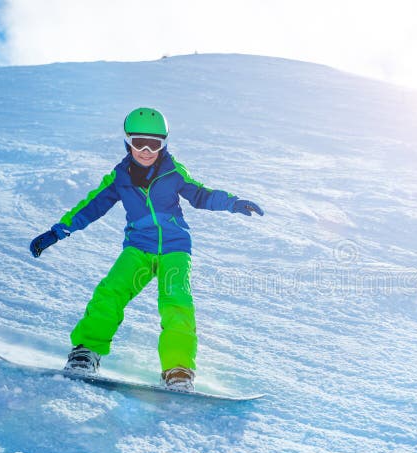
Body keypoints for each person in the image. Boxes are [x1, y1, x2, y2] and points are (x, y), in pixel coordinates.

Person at [29, 107, 263, 391]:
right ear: (127, 141)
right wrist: (58, 231)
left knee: (177, 302)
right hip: (138, 248)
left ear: (164, 144)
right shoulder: (119, 178)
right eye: (140, 142)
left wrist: (233, 202)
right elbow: (91, 206)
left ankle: (178, 370)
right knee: (111, 291)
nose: (147, 150)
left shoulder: (174, 172)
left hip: (175, 249)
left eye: (155, 144)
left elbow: (200, 194)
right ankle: (86, 352)